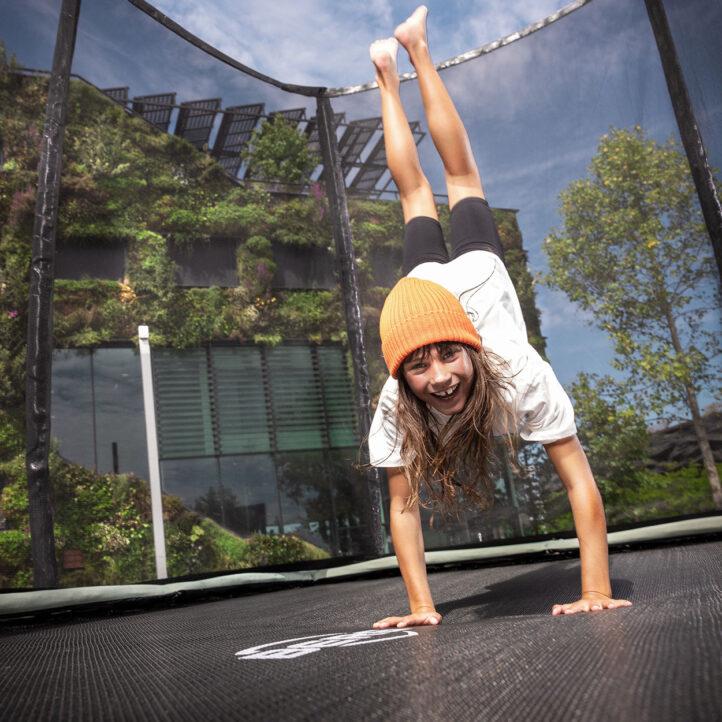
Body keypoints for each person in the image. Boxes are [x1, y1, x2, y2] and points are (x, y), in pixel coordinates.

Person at [367, 6, 632, 628]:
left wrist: (596, 588)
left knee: (454, 179)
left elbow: (578, 483)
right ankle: (387, 69)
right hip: (424, 295)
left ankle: (414, 52)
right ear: (402, 375)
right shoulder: (394, 404)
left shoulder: (518, 372)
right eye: (420, 368)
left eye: (449, 358)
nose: (439, 379)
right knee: (417, 193)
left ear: (472, 351)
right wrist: (420, 608)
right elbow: (402, 508)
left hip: (472, 283)